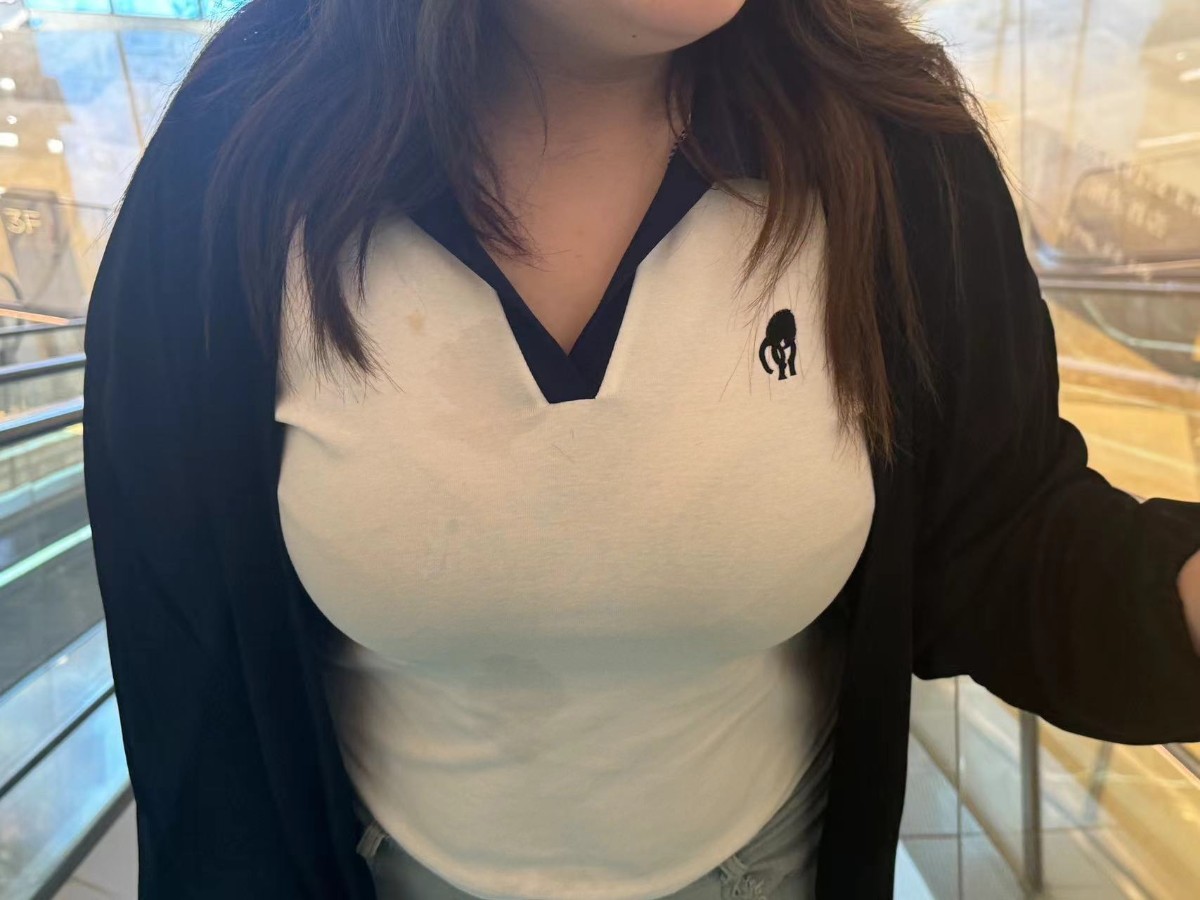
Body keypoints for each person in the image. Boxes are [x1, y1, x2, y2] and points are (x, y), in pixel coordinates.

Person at [81, 0, 1200, 898]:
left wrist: (1174, 597)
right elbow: (191, 655)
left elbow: (995, 535)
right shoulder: (238, 151)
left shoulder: (897, 147)